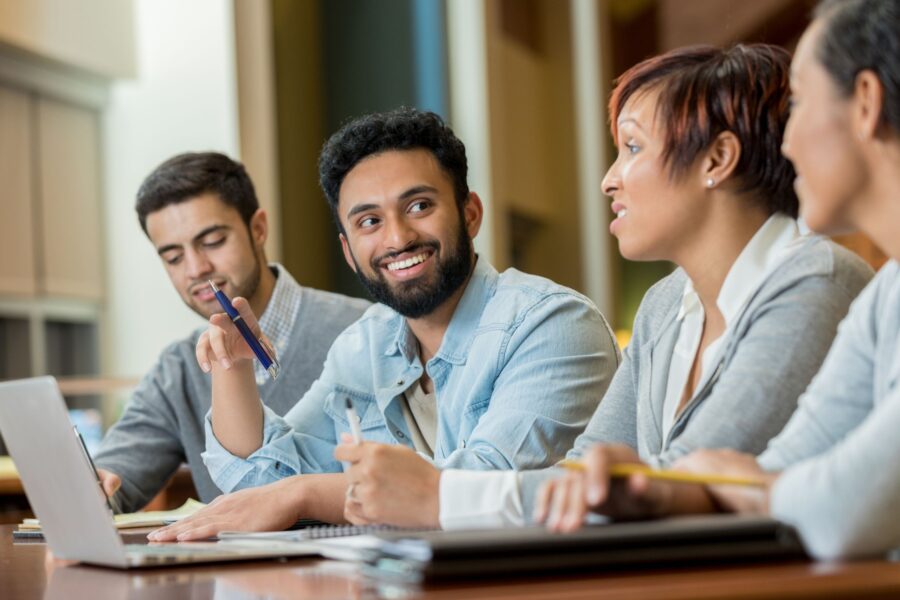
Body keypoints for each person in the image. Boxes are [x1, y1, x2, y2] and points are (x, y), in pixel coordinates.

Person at [333, 44, 873, 530]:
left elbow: (681, 483)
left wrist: (441, 498)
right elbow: (582, 474)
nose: (608, 179)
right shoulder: (665, 306)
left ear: (717, 159)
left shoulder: (814, 282)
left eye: (633, 148)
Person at [148, 108, 619, 541]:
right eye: (369, 221)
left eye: (418, 206)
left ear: (470, 213)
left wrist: (305, 494)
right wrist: (234, 367)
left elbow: (478, 490)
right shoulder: (364, 345)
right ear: (349, 251)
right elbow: (262, 483)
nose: (397, 237)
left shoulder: (555, 325)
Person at [537, 0, 900, 560]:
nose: (784, 141)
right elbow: (776, 469)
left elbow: (840, 509)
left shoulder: (824, 279)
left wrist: (734, 484)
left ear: (867, 104)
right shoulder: (885, 295)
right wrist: (707, 484)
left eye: (800, 103)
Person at [92, 152, 371, 512]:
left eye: (212, 242)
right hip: (233, 568)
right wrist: (93, 489)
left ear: (257, 229)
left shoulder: (362, 332)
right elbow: (114, 479)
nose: (196, 268)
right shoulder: (178, 369)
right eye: (174, 257)